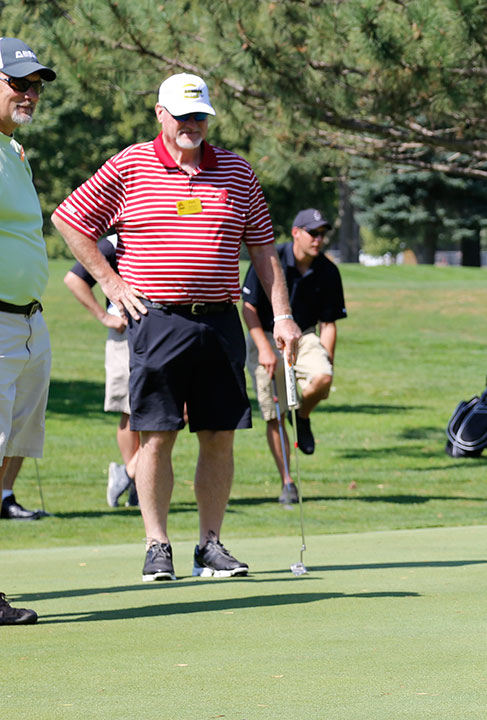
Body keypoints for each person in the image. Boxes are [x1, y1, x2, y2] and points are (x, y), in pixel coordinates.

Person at [52, 73, 301, 582]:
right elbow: (70, 220)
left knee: (219, 436)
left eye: (200, 116)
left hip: (218, 321)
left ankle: (209, 545)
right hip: (157, 319)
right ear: (160, 114)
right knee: (157, 436)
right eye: (183, 115)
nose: (192, 125)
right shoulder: (130, 164)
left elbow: (262, 250)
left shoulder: (236, 170)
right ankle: (157, 544)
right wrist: (113, 285)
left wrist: (284, 314)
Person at [0, 36, 55, 623]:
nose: (30, 93)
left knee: (13, 453)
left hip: (28, 322)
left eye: (36, 84)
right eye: (19, 82)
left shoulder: (13, 152)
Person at [241, 208, 346, 504]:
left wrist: (327, 364)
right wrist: (263, 347)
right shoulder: (270, 260)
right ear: (296, 233)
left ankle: (302, 417)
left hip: (305, 335)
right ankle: (287, 482)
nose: (319, 239)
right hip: (265, 335)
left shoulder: (327, 270)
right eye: (313, 233)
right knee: (275, 414)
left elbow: (329, 324)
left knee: (322, 377)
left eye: (322, 234)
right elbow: (248, 308)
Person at [63, 234, 141, 507]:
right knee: (130, 411)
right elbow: (74, 279)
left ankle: (129, 474)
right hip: (127, 334)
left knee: (173, 411)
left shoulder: (165, 230)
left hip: (165, 331)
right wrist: (105, 316)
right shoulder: (114, 243)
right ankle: (137, 484)